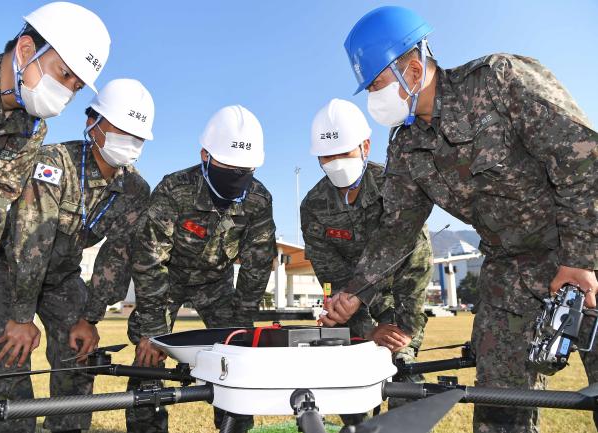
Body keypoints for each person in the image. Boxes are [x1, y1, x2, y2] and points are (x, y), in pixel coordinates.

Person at [321, 6, 598, 433]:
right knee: (499, 405)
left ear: (413, 71)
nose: (374, 98)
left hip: (584, 248)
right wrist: (356, 291)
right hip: (511, 270)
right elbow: (396, 230)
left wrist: (581, 258)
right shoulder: (407, 145)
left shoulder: (499, 81)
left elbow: (582, 158)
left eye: (376, 85)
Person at [0, 78, 153, 433]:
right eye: (122, 129)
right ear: (93, 123)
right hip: (9, 272)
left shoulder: (134, 189)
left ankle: (67, 427)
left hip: (61, 278)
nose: (130, 142)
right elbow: (29, 243)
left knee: (79, 352)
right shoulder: (53, 164)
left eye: (138, 136)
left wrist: (90, 317)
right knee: (13, 355)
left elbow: (116, 258)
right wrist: (23, 318)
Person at [127, 104, 277, 433]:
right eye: (228, 166)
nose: (237, 174)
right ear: (205, 155)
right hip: (167, 281)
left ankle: (234, 427)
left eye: (245, 168)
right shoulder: (174, 189)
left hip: (216, 285)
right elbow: (150, 258)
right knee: (148, 360)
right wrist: (153, 330)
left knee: (239, 355)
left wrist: (245, 315)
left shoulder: (258, 200)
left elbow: (258, 260)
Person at [0, 1, 111, 295]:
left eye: (77, 87)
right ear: (26, 51)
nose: (67, 92)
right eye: (64, 75)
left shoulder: (31, 130)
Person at [302, 98, 432, 424]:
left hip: (399, 300)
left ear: (365, 146)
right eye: (326, 156)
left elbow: (416, 266)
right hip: (351, 307)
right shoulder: (314, 206)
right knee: (351, 389)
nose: (334, 162)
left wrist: (400, 330)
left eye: (343, 152)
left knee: (406, 377)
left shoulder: (396, 189)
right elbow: (332, 278)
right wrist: (365, 334)